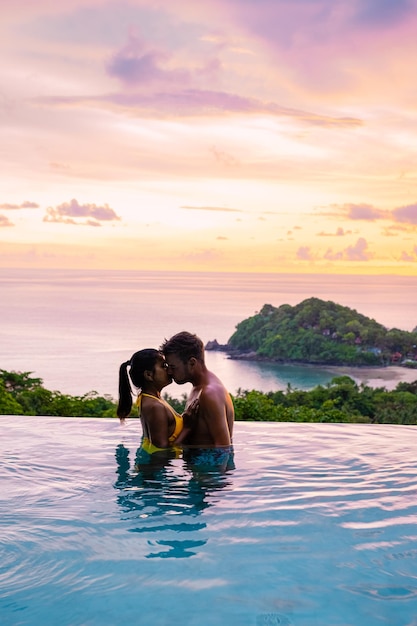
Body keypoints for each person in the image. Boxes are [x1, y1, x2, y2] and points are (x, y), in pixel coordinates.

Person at [161, 332, 234, 447]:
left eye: (173, 367)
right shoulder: (198, 388)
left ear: (192, 363)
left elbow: (223, 448)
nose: (169, 372)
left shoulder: (209, 393)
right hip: (198, 463)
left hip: (207, 464)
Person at [117, 348, 195, 455]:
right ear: (149, 375)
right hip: (153, 469)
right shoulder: (155, 406)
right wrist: (187, 427)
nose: (169, 370)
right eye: (163, 366)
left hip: (149, 464)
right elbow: (162, 453)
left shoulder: (148, 398)